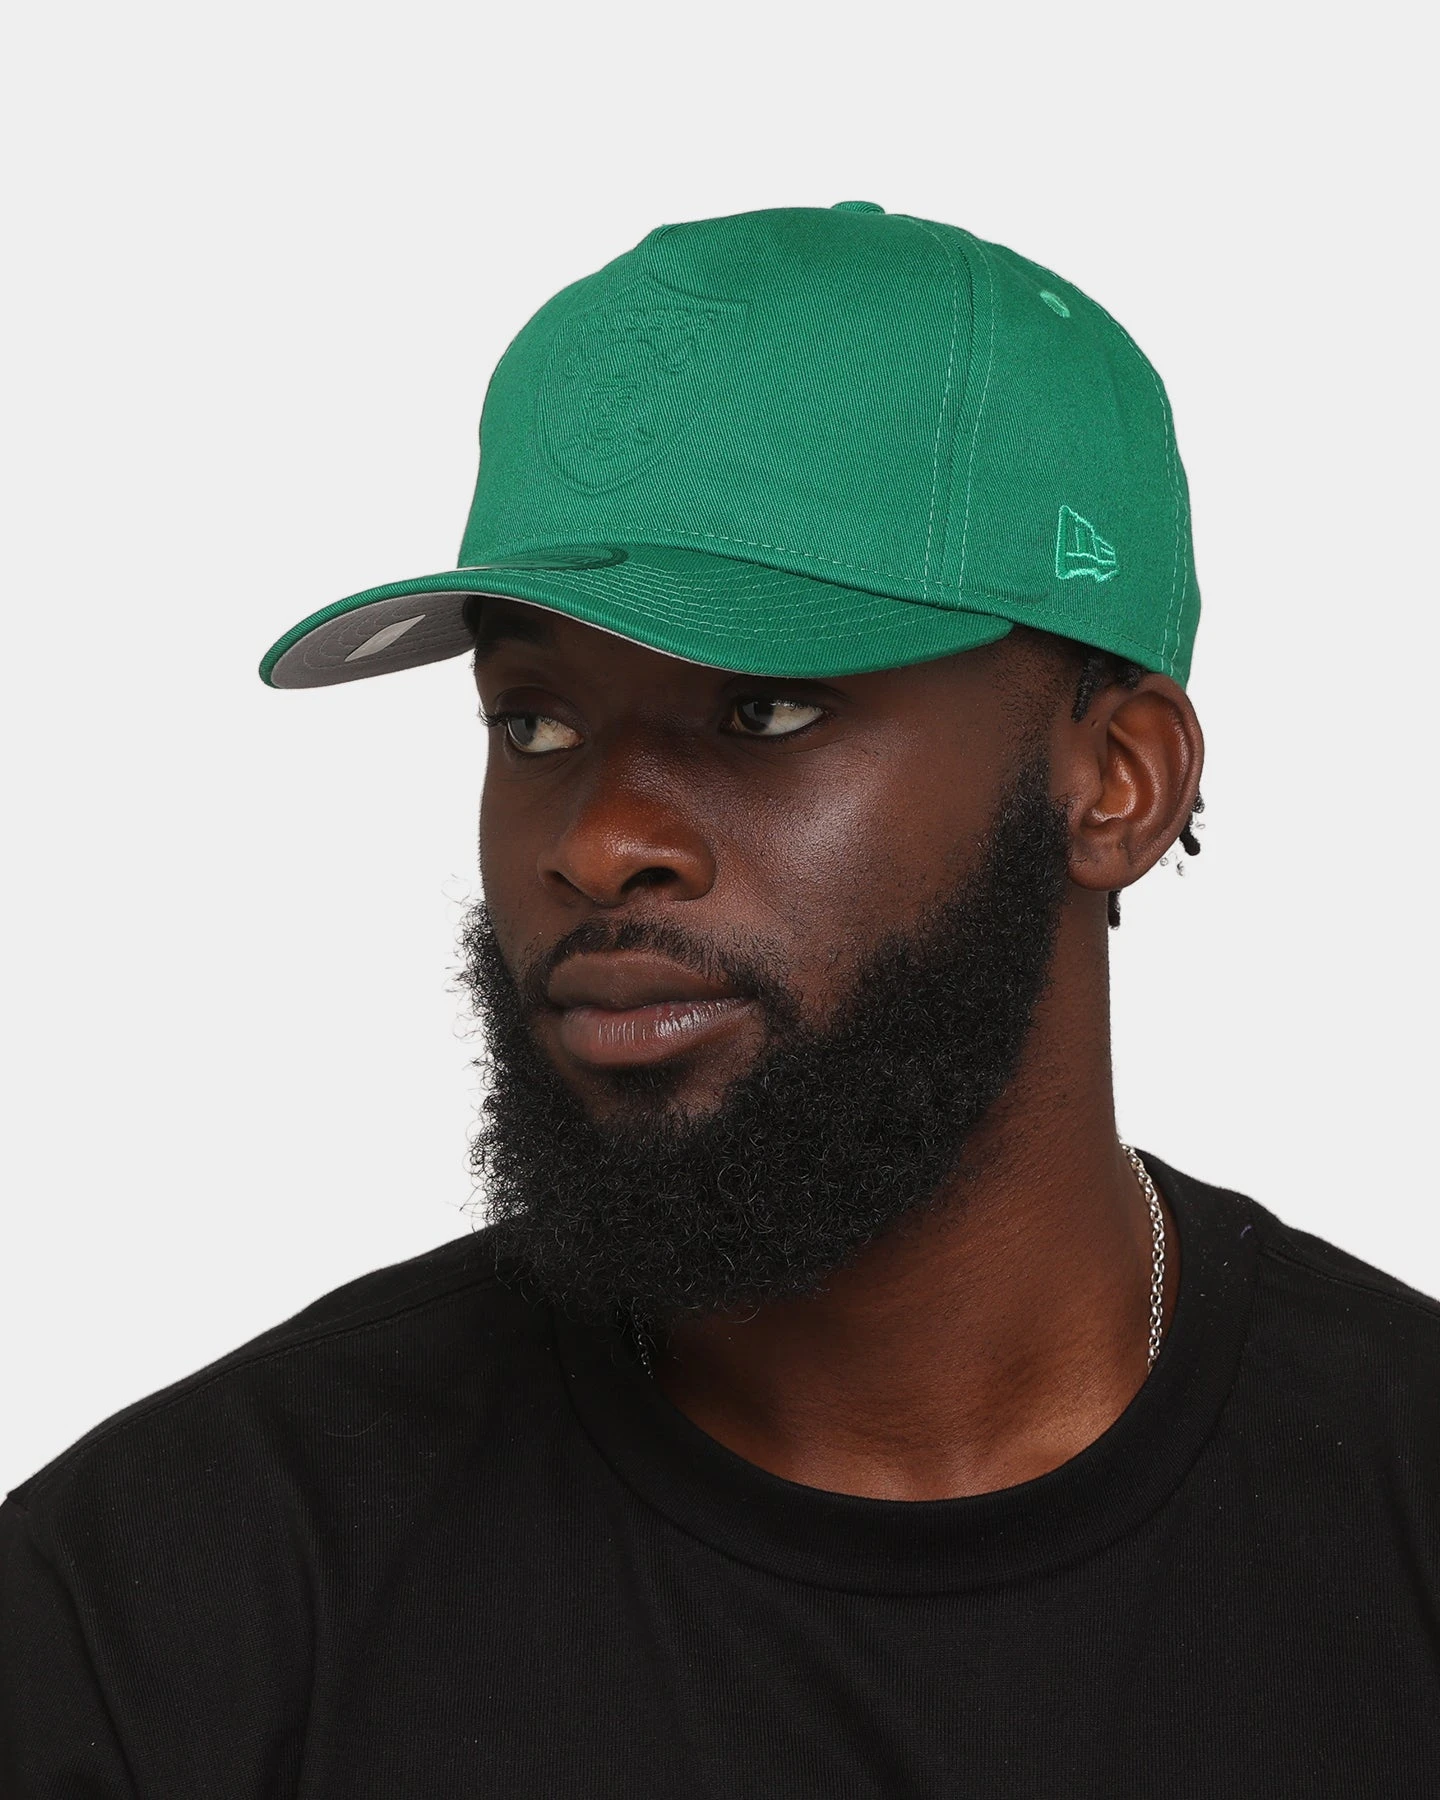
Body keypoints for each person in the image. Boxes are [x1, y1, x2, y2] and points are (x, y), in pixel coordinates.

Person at [3, 202, 1437, 1795]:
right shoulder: (169, 1610)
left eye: (763, 709)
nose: (598, 840)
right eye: (535, 724)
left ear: (1117, 782)